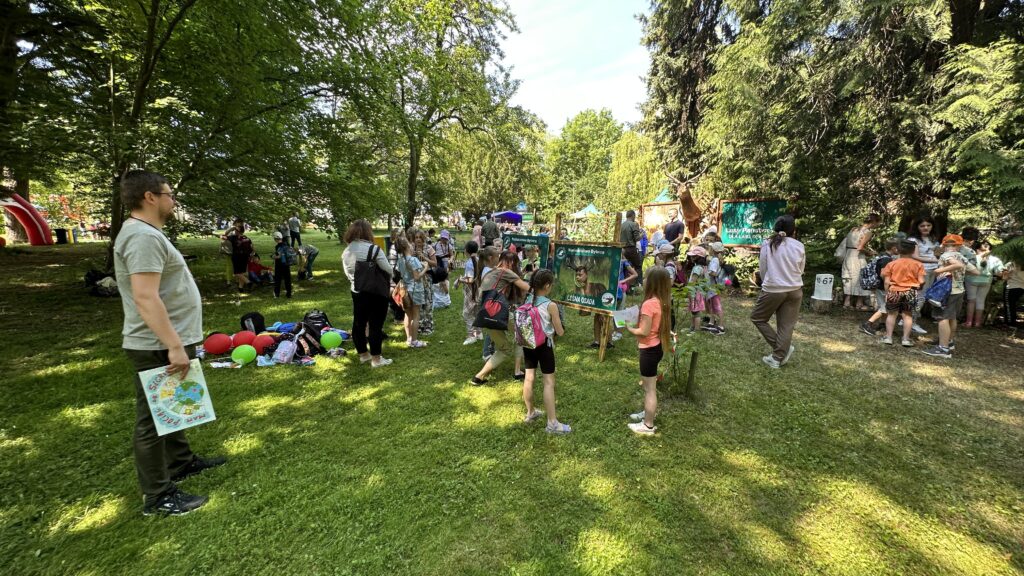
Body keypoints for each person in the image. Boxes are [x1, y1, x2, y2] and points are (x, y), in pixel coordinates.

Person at [113, 170, 225, 516]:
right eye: (168, 193)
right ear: (150, 197)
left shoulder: (147, 234)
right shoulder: (141, 237)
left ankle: (181, 461)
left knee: (173, 403)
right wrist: (173, 344)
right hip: (155, 343)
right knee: (151, 419)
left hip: (167, 339)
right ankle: (158, 496)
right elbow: (145, 297)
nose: (172, 200)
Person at [750, 215, 805, 368]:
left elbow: (763, 268)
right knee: (786, 325)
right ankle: (777, 357)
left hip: (773, 288)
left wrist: (768, 281)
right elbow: (801, 270)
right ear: (793, 230)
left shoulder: (768, 244)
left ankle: (780, 352)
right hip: (795, 289)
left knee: (758, 318)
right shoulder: (799, 246)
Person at [520, 269, 570, 434]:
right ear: (547, 286)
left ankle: (530, 413)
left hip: (528, 343)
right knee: (549, 382)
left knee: (529, 377)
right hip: (544, 345)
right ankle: (552, 423)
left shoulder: (527, 299)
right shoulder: (550, 305)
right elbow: (560, 331)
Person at [625, 266, 673, 435]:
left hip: (649, 349)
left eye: (645, 278)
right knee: (648, 385)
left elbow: (643, 332)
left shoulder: (649, 304)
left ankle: (648, 425)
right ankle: (647, 413)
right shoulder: (662, 300)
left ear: (651, 283)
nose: (643, 281)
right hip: (656, 347)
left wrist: (628, 326)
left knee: (649, 389)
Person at [471, 250, 530, 385]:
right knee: (522, 333)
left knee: (504, 349)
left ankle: (478, 377)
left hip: (485, 316)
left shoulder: (490, 272)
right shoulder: (506, 272)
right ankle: (517, 371)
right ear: (512, 263)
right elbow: (527, 288)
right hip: (498, 314)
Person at [341, 220, 393, 368]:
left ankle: (363, 354)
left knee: (359, 322)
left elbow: (348, 273)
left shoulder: (346, 251)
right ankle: (377, 359)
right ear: (368, 232)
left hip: (357, 291)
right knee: (376, 325)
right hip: (376, 292)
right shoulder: (374, 249)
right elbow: (388, 269)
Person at [924, 235, 968, 358]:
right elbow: (975, 270)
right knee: (952, 318)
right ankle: (949, 342)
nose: (950, 247)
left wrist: (939, 271)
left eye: (951, 245)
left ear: (943, 245)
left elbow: (957, 265)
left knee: (942, 318)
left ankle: (943, 349)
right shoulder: (962, 257)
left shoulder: (946, 255)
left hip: (947, 291)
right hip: (959, 290)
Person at [880, 239, 925, 346]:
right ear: (914, 250)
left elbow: (886, 281)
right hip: (911, 291)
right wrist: (919, 288)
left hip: (894, 291)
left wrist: (887, 293)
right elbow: (922, 281)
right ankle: (905, 339)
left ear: (898, 250)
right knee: (907, 315)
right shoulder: (918, 264)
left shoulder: (891, 264)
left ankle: (888, 337)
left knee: (891, 314)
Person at [859, 238, 900, 336]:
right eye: (898, 248)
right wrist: (890, 283)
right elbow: (883, 274)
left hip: (880, 286)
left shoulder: (881, 256)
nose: (899, 250)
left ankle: (882, 325)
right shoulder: (887, 259)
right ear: (894, 248)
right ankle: (867, 324)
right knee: (885, 308)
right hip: (883, 286)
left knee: (883, 305)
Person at [841, 213, 881, 310]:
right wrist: (870, 253)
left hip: (848, 255)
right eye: (878, 222)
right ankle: (859, 303)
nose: (878, 225)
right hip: (857, 257)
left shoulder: (854, 229)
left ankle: (847, 302)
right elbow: (860, 247)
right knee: (860, 278)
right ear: (874, 222)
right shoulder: (867, 232)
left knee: (848, 277)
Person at [907, 216, 940, 333]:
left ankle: (909, 319)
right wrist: (936, 261)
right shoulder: (913, 240)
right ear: (917, 227)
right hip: (920, 271)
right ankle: (911, 322)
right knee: (919, 297)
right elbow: (915, 256)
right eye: (922, 226)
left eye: (928, 225)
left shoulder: (933, 239)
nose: (925, 228)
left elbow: (937, 253)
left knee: (923, 296)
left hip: (933, 271)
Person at [395, 237, 428, 348]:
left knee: (408, 315)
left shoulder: (400, 260)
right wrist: (425, 268)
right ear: (407, 246)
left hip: (405, 290)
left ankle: (409, 339)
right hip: (415, 290)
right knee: (416, 315)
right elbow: (417, 277)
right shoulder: (413, 260)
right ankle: (414, 341)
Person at [964, 240, 1003, 328]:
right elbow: (999, 272)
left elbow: (966, 267)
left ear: (977, 249)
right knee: (980, 301)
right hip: (986, 281)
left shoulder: (973, 256)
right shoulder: (995, 259)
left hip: (971, 280)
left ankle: (968, 322)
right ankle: (977, 323)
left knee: (971, 301)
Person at [573, 265, 612, 349]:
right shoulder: (579, 288)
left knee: (603, 318)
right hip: (597, 304)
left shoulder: (595, 287)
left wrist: (602, 311)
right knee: (596, 318)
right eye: (576, 275)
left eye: (580, 275)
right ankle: (597, 342)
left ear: (586, 275)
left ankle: (609, 342)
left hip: (604, 301)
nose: (577, 277)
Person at [411, 229, 437, 334]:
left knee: (428, 301)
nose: (418, 240)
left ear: (423, 238)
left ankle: (428, 325)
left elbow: (435, 264)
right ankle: (419, 325)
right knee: (418, 302)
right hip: (416, 278)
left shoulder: (429, 248)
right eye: (416, 238)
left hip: (427, 277)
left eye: (420, 237)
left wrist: (425, 258)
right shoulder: (411, 249)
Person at [458, 240, 483, 345]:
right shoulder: (479, 260)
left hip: (471, 292)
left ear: (466, 250)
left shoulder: (469, 263)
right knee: (476, 312)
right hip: (479, 291)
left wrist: (460, 279)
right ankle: (479, 333)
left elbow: (470, 280)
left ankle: (472, 336)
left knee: (467, 314)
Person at [222, 218, 252, 292]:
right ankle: (240, 288)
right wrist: (252, 255)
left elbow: (223, 236)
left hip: (237, 257)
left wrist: (230, 229)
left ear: (236, 231)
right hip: (245, 257)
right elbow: (251, 247)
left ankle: (248, 282)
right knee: (242, 272)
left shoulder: (233, 238)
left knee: (237, 273)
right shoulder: (247, 238)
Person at [705, 242, 727, 334]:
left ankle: (721, 326)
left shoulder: (714, 260)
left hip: (713, 288)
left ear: (713, 250)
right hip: (714, 287)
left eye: (710, 248)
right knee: (712, 305)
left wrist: (710, 272)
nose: (708, 249)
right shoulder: (717, 259)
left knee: (717, 306)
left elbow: (712, 273)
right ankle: (711, 321)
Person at [686, 246, 709, 333]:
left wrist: (688, 290)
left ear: (698, 257)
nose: (691, 257)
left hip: (695, 292)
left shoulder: (697, 268)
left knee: (696, 312)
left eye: (693, 256)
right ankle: (692, 327)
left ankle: (696, 329)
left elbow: (693, 281)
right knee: (694, 310)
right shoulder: (704, 267)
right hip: (699, 292)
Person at [620, 210, 643, 284]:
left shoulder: (622, 225)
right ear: (633, 215)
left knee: (625, 267)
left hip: (622, 249)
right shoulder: (633, 224)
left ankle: (625, 285)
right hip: (631, 249)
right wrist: (641, 235)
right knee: (638, 266)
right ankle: (638, 284)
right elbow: (637, 238)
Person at [1001, 255, 1024, 329]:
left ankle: (1010, 323)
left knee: (1009, 305)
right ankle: (1012, 322)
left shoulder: (1010, 264)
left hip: (1011, 287)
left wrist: (1007, 274)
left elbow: (1004, 277)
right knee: (1012, 305)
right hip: (1021, 288)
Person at [432, 230, 453, 307]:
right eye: (443, 238)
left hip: (445, 262)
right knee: (438, 276)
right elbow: (433, 253)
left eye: (446, 238)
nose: (444, 240)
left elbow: (452, 255)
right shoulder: (436, 244)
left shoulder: (449, 245)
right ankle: (439, 292)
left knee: (445, 276)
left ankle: (446, 291)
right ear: (441, 237)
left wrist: (450, 260)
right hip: (438, 261)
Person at [272, 231, 293, 298]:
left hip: (279, 265)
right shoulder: (287, 244)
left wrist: (273, 257)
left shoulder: (278, 246)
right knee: (287, 279)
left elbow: (279, 256)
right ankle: (289, 293)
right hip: (287, 264)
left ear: (275, 239)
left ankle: (277, 293)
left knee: (278, 279)